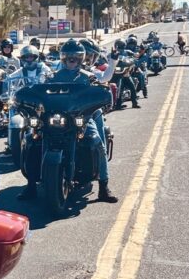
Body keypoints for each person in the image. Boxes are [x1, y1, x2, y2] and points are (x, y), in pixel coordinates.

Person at [22, 39, 117, 203]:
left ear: (82, 58)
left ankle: (103, 186)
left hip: (81, 118)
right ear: (62, 57)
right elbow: (38, 92)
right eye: (68, 56)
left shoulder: (89, 76)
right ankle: (31, 185)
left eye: (76, 56)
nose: (71, 59)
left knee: (97, 142)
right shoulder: (52, 76)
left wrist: (103, 95)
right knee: (31, 140)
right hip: (56, 118)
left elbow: (102, 87)